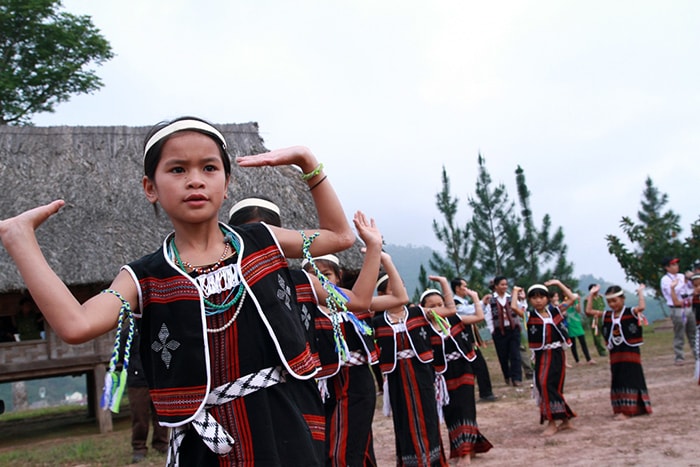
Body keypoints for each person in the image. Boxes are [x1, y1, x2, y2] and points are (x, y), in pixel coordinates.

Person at [0, 116, 357, 466]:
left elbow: (339, 236)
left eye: (209, 168)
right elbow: (76, 325)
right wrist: (21, 241)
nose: (195, 181)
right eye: (177, 170)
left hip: (287, 420)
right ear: (149, 188)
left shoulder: (264, 241)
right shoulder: (143, 277)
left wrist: (308, 163)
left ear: (227, 182)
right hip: (210, 444)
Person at [372, 271, 448, 466]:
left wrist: (444, 283)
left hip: (421, 374)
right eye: (393, 288)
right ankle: (410, 462)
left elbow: (451, 310)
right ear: (381, 296)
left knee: (428, 416)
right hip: (397, 377)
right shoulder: (377, 322)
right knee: (404, 421)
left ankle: (433, 461)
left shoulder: (419, 313)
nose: (400, 290)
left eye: (402, 285)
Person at [421, 280, 493, 464]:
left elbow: (478, 316)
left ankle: (465, 452)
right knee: (451, 410)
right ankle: (470, 445)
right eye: (432, 306)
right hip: (442, 376)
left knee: (466, 407)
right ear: (423, 309)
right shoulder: (423, 329)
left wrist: (475, 298)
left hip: (464, 367)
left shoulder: (454, 319)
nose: (437, 309)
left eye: (440, 305)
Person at [513, 280, 576, 436]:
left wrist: (558, 283)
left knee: (554, 386)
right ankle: (553, 421)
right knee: (543, 385)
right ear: (530, 300)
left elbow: (572, 298)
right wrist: (514, 291)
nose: (538, 300)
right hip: (542, 355)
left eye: (541, 297)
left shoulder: (556, 311)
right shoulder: (529, 316)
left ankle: (564, 420)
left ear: (547, 298)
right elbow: (514, 307)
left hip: (557, 354)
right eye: (534, 298)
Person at [588, 284, 652, 419]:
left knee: (632, 377)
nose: (612, 304)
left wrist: (640, 292)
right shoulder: (607, 315)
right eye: (609, 302)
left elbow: (642, 307)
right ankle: (623, 407)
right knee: (619, 377)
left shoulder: (630, 312)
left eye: (615, 301)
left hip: (630, 351)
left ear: (623, 299)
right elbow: (589, 311)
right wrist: (591, 296)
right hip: (616, 353)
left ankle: (633, 409)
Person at [127, 324, 169, 463]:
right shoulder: (129, 331)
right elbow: (123, 353)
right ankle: (139, 447)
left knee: (161, 414)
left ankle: (161, 444)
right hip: (137, 379)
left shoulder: (157, 326)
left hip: (157, 377)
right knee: (139, 415)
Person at [451, 278, 497, 402]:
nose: (467, 289)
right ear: (457, 288)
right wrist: (478, 300)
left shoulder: (464, 302)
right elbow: (472, 312)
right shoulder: (455, 303)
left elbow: (478, 312)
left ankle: (484, 392)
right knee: (476, 367)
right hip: (463, 341)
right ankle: (484, 393)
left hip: (470, 340)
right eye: (464, 286)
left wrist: (483, 303)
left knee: (478, 366)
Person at [483, 276, 522, 386]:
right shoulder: (491, 300)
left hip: (513, 329)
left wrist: (522, 300)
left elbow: (521, 309)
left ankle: (517, 378)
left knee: (515, 353)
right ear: (496, 286)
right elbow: (488, 316)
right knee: (503, 355)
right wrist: (492, 331)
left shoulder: (511, 297)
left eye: (506, 284)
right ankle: (507, 376)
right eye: (502, 284)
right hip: (499, 331)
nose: (504, 286)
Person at [660, 257, 697, 366]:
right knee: (679, 333)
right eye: (673, 265)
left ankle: (697, 354)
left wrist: (691, 278)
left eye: (676, 264)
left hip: (688, 306)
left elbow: (690, 288)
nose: (676, 266)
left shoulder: (681, 276)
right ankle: (679, 356)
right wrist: (684, 282)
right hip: (677, 308)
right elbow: (675, 291)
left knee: (693, 332)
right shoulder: (665, 280)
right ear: (667, 267)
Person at [564, 294, 595, 365]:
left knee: (583, 342)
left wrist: (578, 301)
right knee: (573, 344)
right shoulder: (564, 302)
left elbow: (578, 310)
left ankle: (589, 359)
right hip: (569, 325)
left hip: (577, 324)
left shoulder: (575, 302)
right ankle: (577, 361)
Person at [584, 284, 608, 357]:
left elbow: (603, 307)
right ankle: (602, 352)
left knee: (607, 334)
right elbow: (587, 312)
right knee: (596, 336)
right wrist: (596, 313)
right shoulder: (587, 300)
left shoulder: (600, 297)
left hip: (603, 318)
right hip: (594, 320)